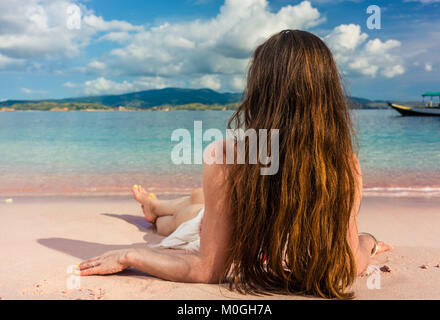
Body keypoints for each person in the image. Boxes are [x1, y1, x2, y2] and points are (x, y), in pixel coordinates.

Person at [79, 30, 393, 299]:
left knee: (191, 207)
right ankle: (153, 205)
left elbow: (207, 270)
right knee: (178, 218)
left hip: (216, 215)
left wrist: (131, 254)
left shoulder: (230, 157)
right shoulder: (342, 164)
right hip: (209, 224)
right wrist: (370, 241)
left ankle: (154, 206)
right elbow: (350, 263)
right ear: (327, 95)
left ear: (260, 91)